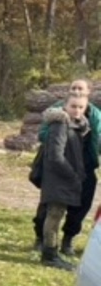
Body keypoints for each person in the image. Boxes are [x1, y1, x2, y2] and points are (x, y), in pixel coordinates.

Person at [32, 79, 101, 255]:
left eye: (81, 88)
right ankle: (42, 240)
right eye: (74, 88)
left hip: (85, 165)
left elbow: (98, 139)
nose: (77, 90)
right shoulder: (57, 114)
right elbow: (44, 135)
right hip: (60, 164)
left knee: (81, 206)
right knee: (50, 206)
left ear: (88, 92)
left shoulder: (95, 116)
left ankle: (68, 239)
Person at [37, 92, 90, 271]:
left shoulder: (77, 125)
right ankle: (49, 255)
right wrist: (73, 175)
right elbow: (55, 156)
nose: (77, 110)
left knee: (57, 214)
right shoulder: (60, 124)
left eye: (81, 107)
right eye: (73, 106)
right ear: (65, 106)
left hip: (66, 178)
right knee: (54, 214)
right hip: (58, 178)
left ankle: (52, 252)